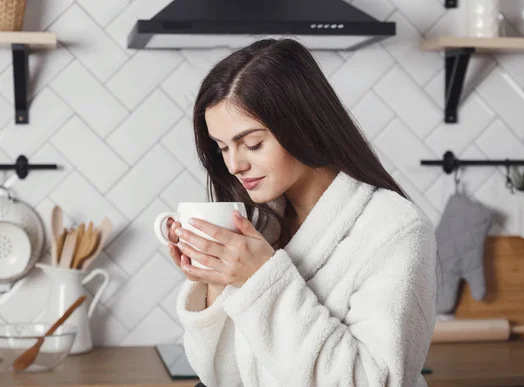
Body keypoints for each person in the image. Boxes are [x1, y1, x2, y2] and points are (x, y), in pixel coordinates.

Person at [165, 38, 438, 387]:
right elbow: (224, 377)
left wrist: (261, 280)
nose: (234, 164)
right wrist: (218, 280)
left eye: (252, 144)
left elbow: (374, 381)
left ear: (302, 126)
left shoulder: (396, 229)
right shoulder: (262, 227)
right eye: (222, 148)